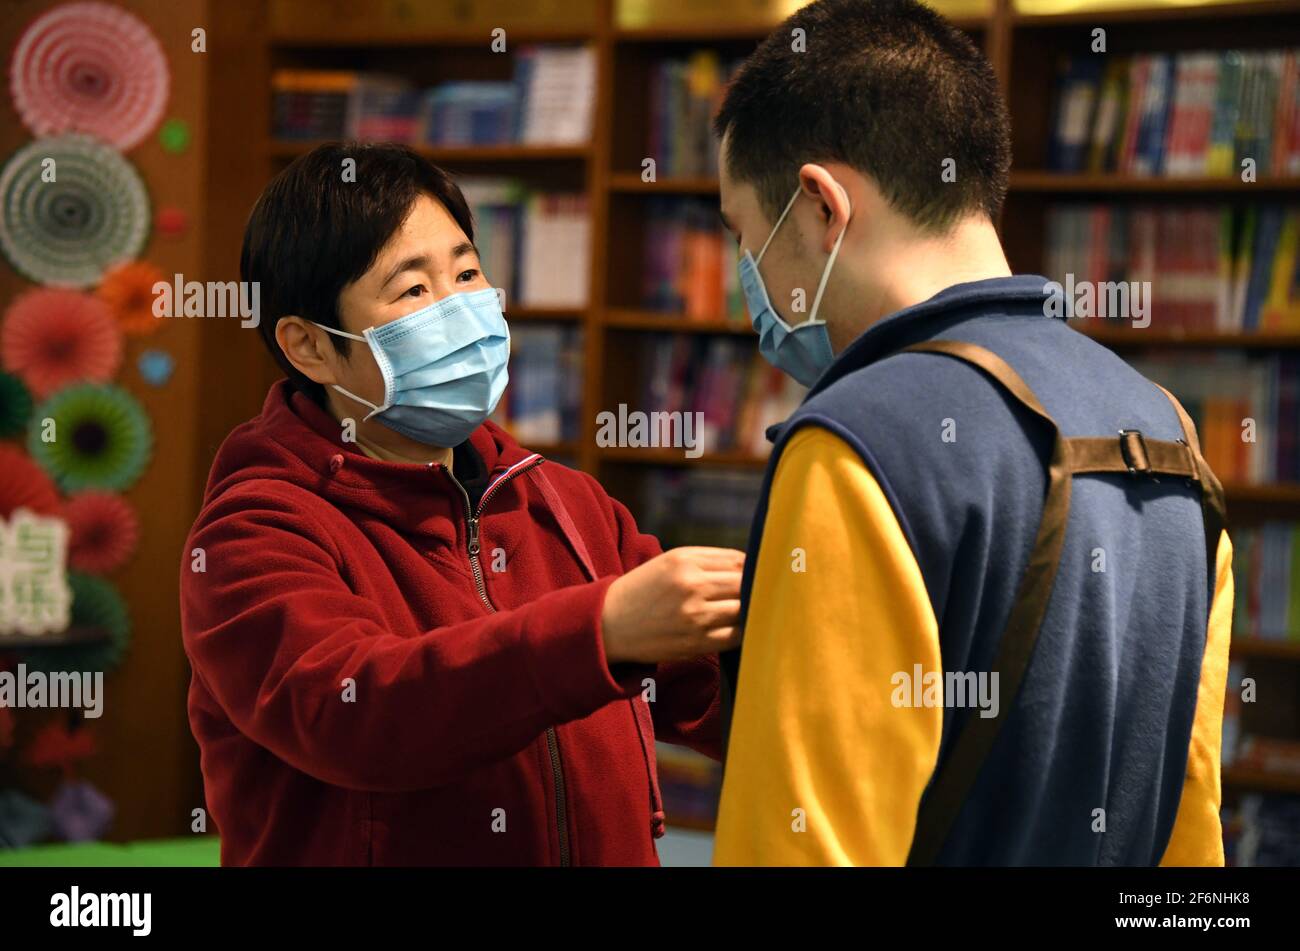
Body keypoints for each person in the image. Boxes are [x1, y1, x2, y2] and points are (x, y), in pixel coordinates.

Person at [712, 0, 1231, 865]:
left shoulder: (857, 443)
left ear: (819, 206)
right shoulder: (1167, 427)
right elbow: (1192, 824)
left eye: (742, 235)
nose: (748, 279)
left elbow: (798, 844)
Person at [179, 142, 743, 865]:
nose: (463, 309)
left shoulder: (564, 501)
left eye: (469, 272)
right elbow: (358, 713)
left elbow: (702, 688)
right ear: (310, 347)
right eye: (412, 291)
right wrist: (599, 632)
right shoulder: (252, 532)